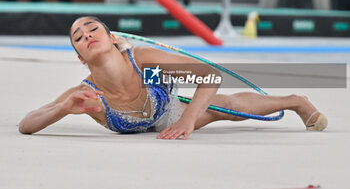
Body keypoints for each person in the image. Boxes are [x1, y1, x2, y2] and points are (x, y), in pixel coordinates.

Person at [18, 16, 328, 140]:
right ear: (80, 56)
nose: (86, 35)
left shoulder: (142, 59)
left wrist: (188, 119)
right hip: (156, 121)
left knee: (226, 107)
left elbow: (209, 75)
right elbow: (27, 124)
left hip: (157, 91)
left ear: (112, 38)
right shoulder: (86, 93)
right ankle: (295, 101)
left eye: (92, 28)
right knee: (220, 106)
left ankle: (296, 102)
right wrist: (62, 109)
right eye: (79, 37)